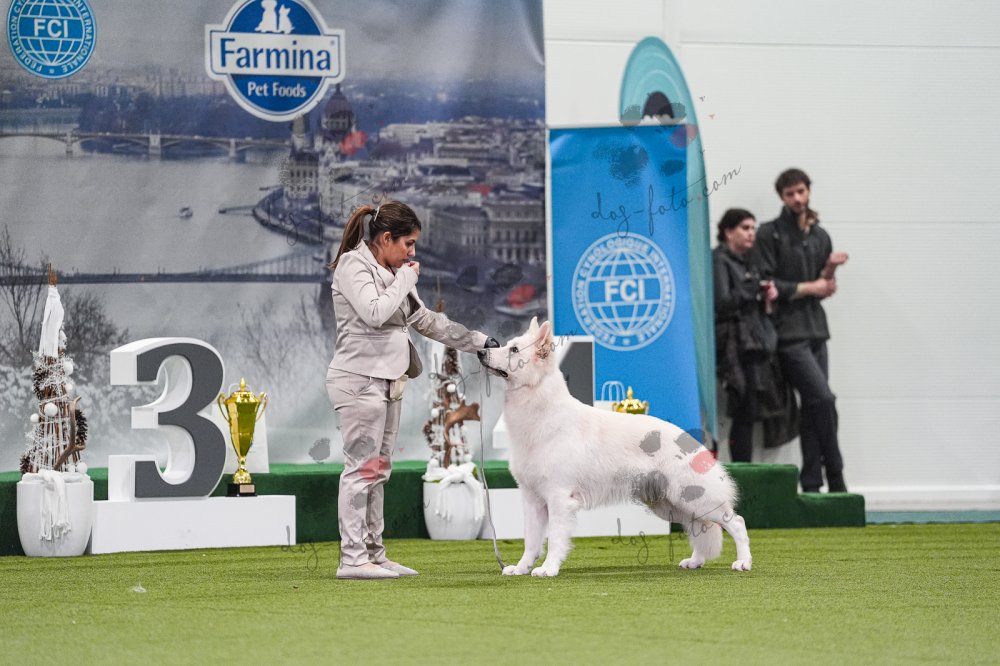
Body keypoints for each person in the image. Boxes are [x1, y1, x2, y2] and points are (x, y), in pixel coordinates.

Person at [326, 200, 499, 579]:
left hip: (389, 381)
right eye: (408, 244)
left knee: (378, 470)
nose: (412, 253)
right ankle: (352, 558)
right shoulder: (353, 265)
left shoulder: (392, 272)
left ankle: (374, 554)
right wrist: (406, 279)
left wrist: (479, 342)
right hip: (358, 380)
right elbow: (374, 313)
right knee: (360, 470)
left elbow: (427, 321)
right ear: (386, 238)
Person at [755, 169, 849, 492]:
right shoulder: (769, 234)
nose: (797, 198)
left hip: (817, 330)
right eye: (790, 194)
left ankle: (811, 482)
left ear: (808, 191)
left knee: (813, 406)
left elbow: (824, 287)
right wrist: (811, 287)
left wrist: (830, 272)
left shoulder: (820, 235)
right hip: (788, 333)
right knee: (823, 399)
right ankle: (835, 473)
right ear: (781, 197)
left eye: (801, 191)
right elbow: (767, 283)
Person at [713, 208, 780, 462]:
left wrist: (767, 294)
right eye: (745, 228)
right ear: (728, 232)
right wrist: (752, 289)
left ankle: (744, 470)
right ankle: (741, 471)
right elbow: (722, 301)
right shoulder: (719, 260)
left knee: (750, 411)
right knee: (744, 409)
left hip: (752, 344)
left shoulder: (749, 262)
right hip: (734, 346)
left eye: (753, 228)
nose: (751, 233)